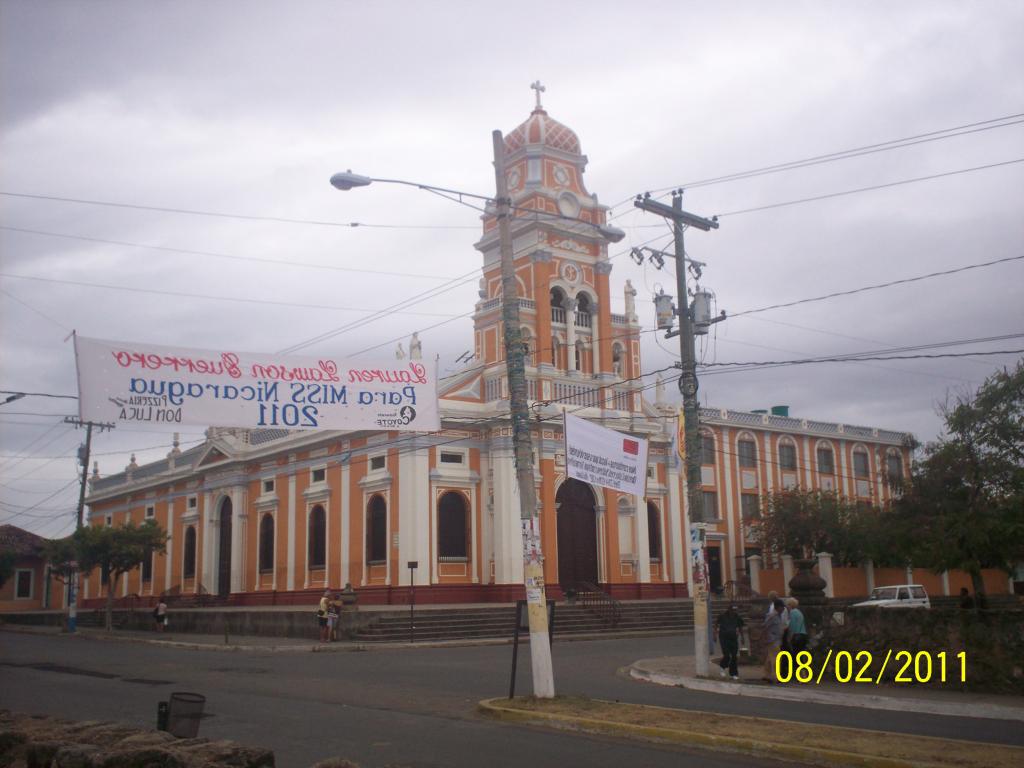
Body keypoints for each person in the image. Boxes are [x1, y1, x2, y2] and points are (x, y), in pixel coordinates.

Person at [716, 604, 745, 680]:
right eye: (732, 610)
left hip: (733, 638)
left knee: (734, 656)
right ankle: (722, 666)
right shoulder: (722, 616)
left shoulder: (737, 617)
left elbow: (740, 627)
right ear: (729, 610)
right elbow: (716, 624)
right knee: (726, 655)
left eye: (735, 610)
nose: (734, 611)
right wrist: (714, 634)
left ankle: (734, 673)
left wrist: (742, 637)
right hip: (724, 638)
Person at [762, 598, 785, 683]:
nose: (783, 609)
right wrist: (765, 637)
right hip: (772, 639)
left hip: (776, 639)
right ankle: (777, 676)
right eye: (782, 607)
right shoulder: (772, 616)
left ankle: (767, 675)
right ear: (778, 607)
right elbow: (765, 626)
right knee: (776, 658)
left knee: (769, 658)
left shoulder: (778, 616)